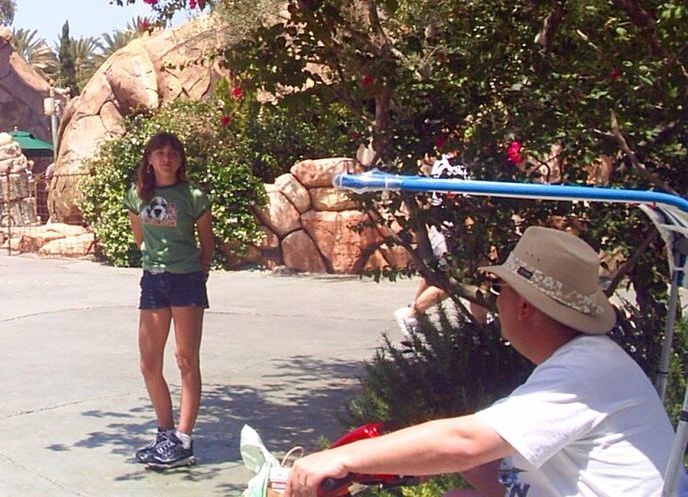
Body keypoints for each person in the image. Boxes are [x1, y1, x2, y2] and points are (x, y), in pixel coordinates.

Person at [287, 226, 680, 497]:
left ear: (525, 306)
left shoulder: (584, 372)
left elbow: (466, 442)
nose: (494, 299)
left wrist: (339, 457)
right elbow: (499, 474)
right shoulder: (584, 363)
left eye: (498, 288)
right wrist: (388, 453)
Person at [124, 131, 214, 471]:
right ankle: (165, 433)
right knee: (149, 363)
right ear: (149, 159)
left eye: (173, 153)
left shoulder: (193, 196)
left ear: (181, 160)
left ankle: (184, 440)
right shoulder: (137, 195)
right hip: (153, 281)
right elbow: (139, 237)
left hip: (186, 281)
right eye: (159, 153)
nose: (166, 158)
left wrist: (198, 271)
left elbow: (207, 242)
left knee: (185, 359)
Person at [395, 149, 474, 344]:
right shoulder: (453, 165)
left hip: (446, 229)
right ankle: (412, 313)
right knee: (455, 280)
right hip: (451, 230)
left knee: (448, 275)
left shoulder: (449, 161)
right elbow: (457, 199)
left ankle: (480, 326)